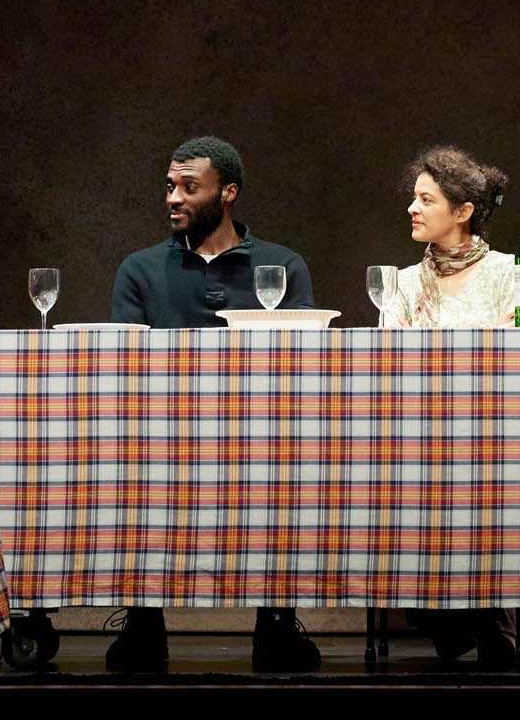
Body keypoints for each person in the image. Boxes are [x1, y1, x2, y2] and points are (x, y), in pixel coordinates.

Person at [108, 135, 321, 672]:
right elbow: (124, 366)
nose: (172, 198)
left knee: (293, 462)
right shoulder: (140, 268)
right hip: (165, 433)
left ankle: (277, 620)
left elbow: (304, 361)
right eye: (169, 186)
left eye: (188, 187)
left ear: (228, 192)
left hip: (261, 432)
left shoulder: (281, 264)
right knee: (125, 458)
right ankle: (143, 621)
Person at [381, 146, 520, 668]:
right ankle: (465, 620)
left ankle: (482, 620)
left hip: (492, 430)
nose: (412, 209)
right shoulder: (402, 281)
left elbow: (519, 351)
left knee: (473, 473)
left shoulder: (509, 272)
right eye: (414, 198)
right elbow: (388, 357)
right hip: (417, 432)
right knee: (419, 472)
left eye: (426, 200)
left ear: (462, 212)